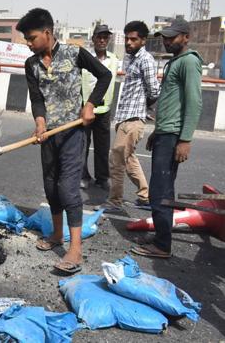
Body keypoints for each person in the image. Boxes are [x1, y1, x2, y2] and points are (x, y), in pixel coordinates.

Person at [17, 8, 111, 275]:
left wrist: (91, 104)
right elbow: (37, 98)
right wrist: (39, 122)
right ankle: (57, 235)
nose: (29, 43)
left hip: (73, 133)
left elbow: (104, 75)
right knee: (51, 187)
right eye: (26, 39)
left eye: (32, 38)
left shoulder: (74, 53)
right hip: (48, 136)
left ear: (47, 33)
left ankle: (75, 249)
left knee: (68, 189)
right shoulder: (31, 64)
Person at [132, 18, 203, 258]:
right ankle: (163, 235)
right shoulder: (175, 62)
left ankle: (163, 245)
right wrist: (157, 130)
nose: (166, 41)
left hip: (174, 136)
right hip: (166, 132)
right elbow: (171, 103)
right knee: (164, 189)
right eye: (164, 37)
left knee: (159, 191)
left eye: (172, 37)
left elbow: (194, 103)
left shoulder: (189, 62)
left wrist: (185, 140)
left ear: (186, 37)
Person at [98, 21, 160, 213]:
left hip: (133, 119)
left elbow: (155, 90)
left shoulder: (145, 59)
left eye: (133, 39)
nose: (129, 42)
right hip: (124, 118)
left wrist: (144, 109)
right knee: (129, 159)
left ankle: (115, 201)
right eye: (127, 38)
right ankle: (145, 196)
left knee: (116, 161)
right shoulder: (130, 58)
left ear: (143, 41)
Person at [80, 24, 119, 191]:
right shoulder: (85, 58)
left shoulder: (114, 60)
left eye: (105, 37)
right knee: (82, 145)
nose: (102, 40)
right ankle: (83, 176)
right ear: (93, 38)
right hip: (85, 108)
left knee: (102, 147)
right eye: (99, 37)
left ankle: (102, 177)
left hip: (104, 110)